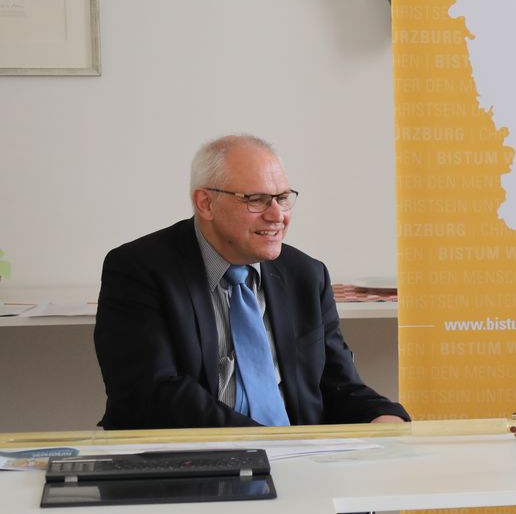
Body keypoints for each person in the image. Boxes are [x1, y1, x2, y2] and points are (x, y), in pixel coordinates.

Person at [95, 134, 409, 429]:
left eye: (283, 198)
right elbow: (154, 394)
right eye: (257, 200)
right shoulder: (138, 270)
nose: (277, 215)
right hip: (188, 463)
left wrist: (382, 415)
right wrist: (265, 443)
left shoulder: (306, 275)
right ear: (206, 203)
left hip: (298, 462)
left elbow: (336, 383)